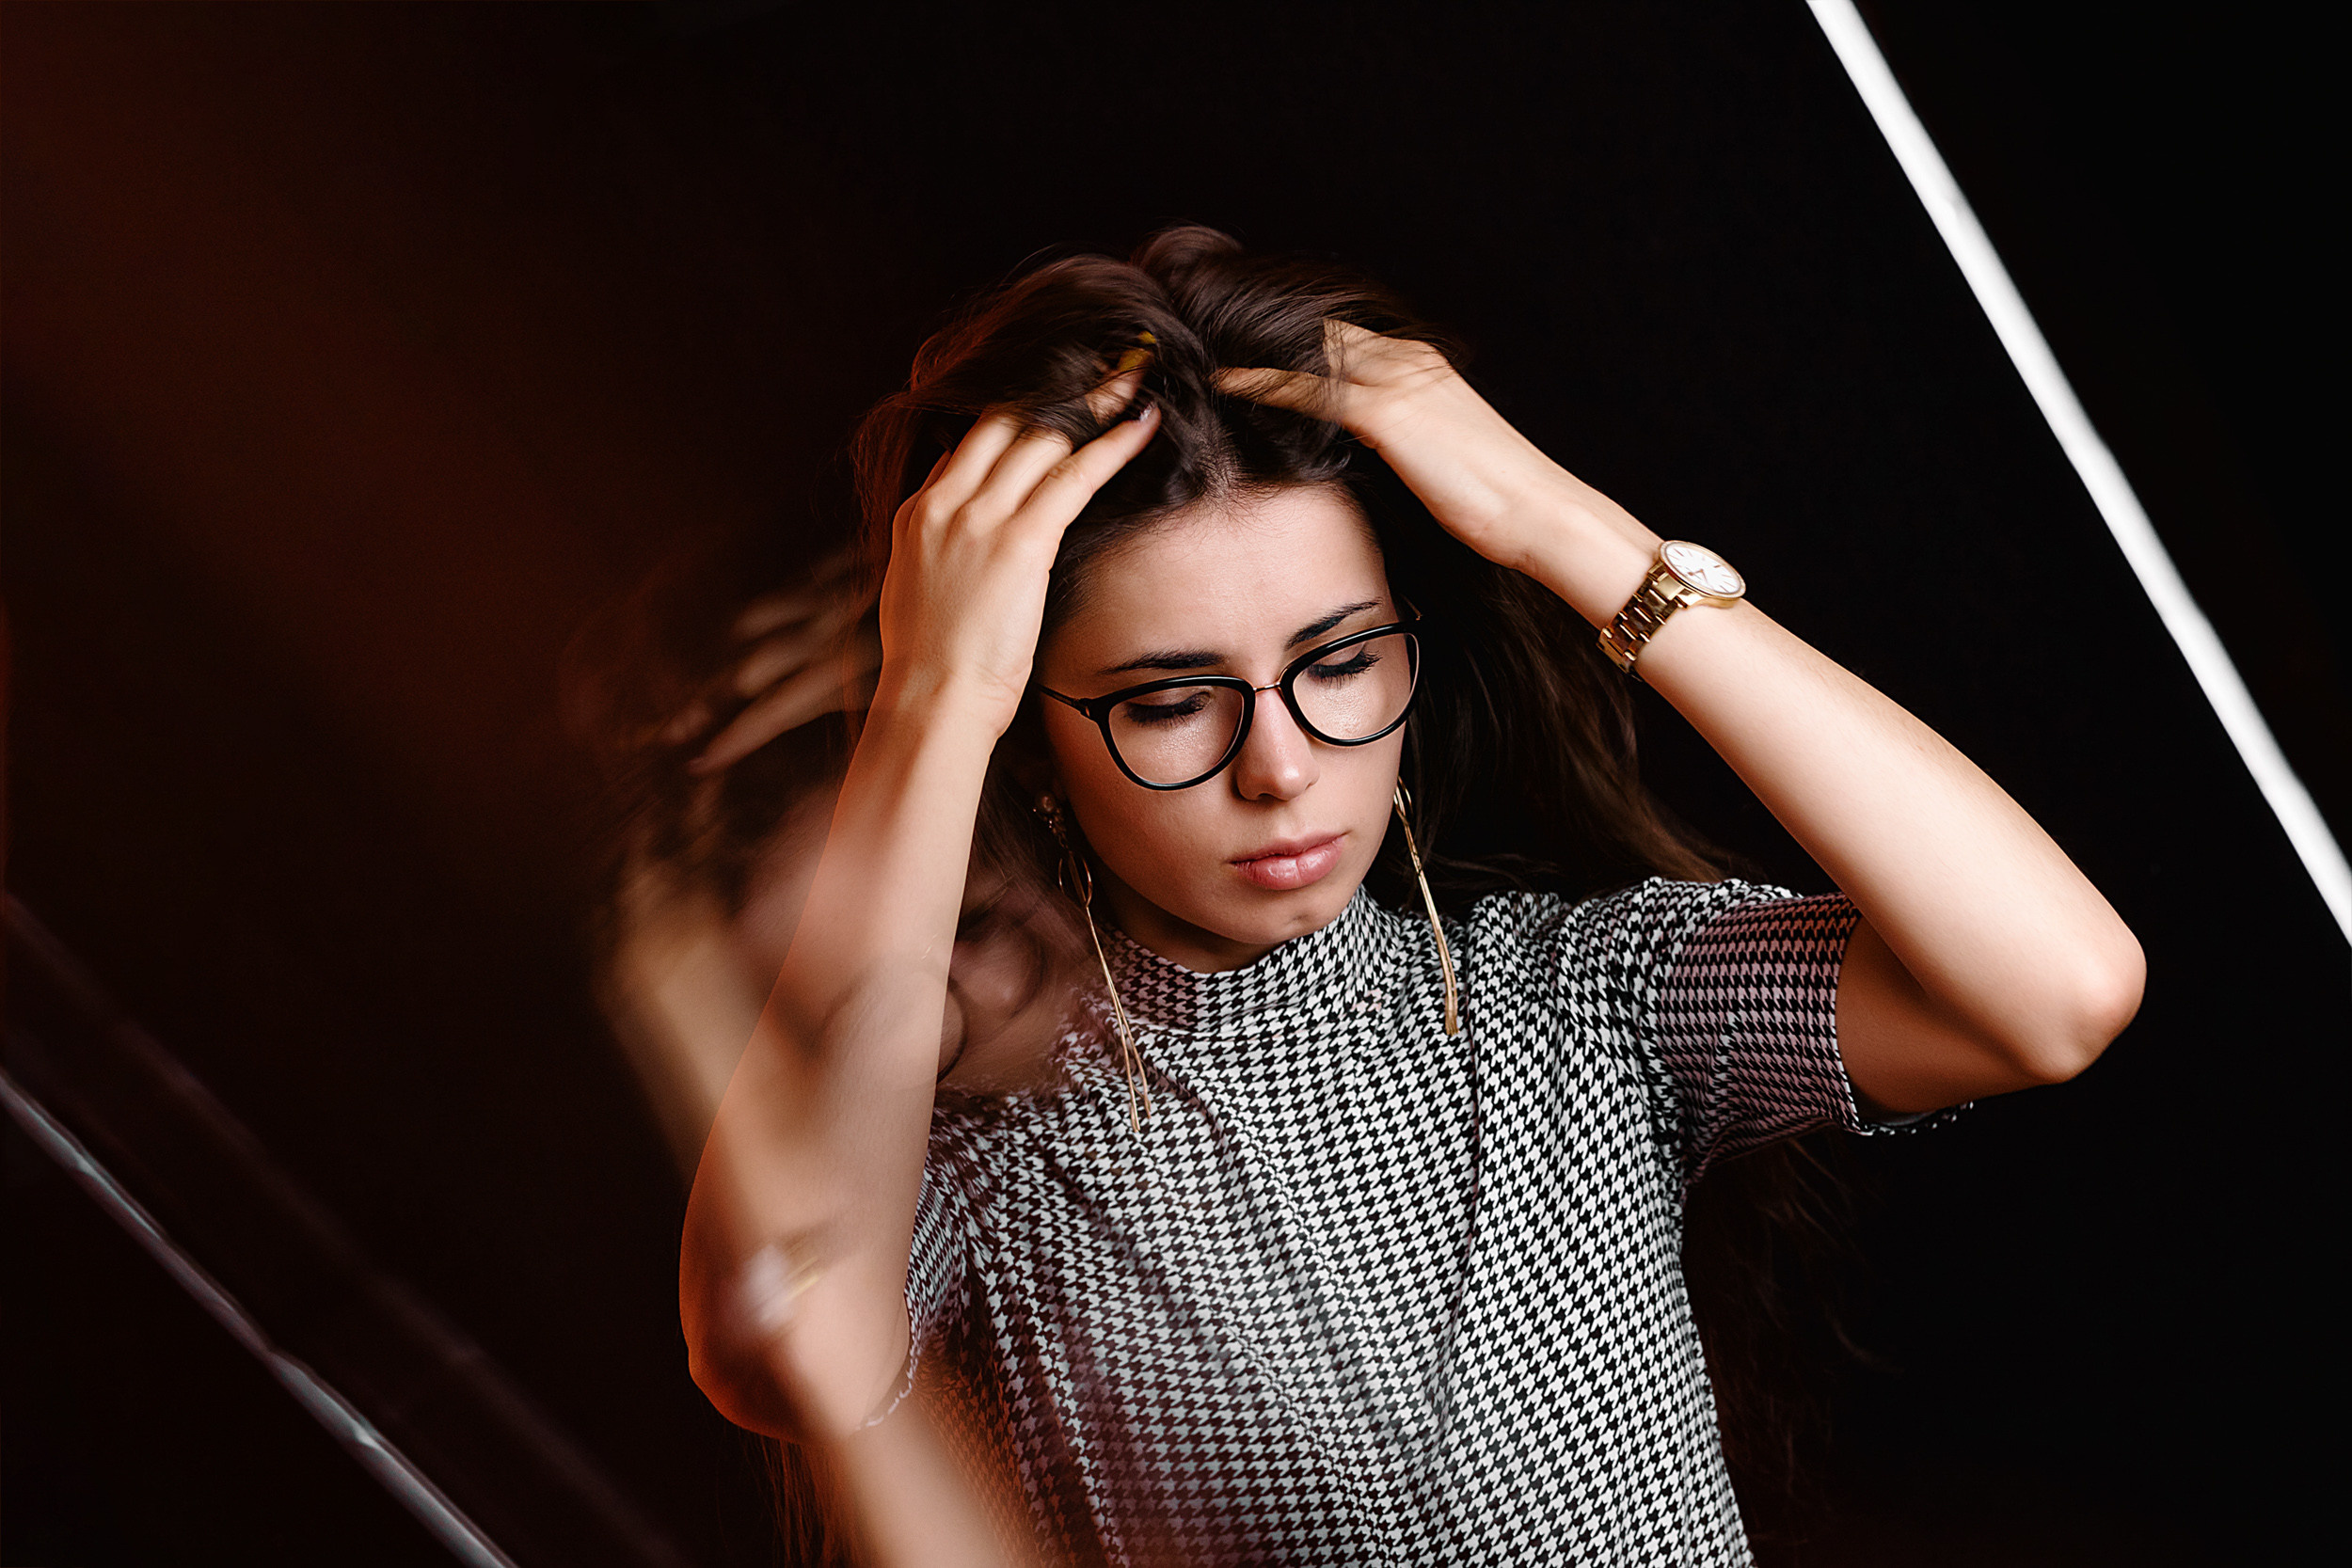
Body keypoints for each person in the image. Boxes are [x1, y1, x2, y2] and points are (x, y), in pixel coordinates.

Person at [675, 227, 2144, 1565]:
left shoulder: (1585, 996)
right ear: (1035, 741)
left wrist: (1562, 526)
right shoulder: (973, 1152)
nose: (1282, 768)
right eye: (1170, 701)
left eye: (1339, 662)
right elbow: (783, 1344)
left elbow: (2053, 990)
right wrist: (931, 702)